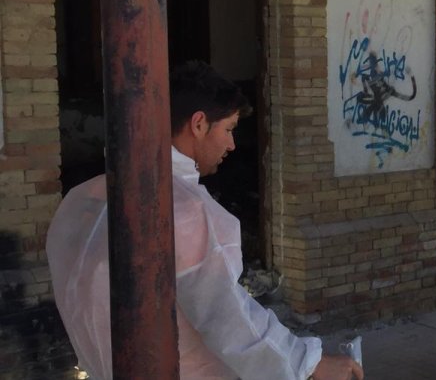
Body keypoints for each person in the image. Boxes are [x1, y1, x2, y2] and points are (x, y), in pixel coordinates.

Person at [47, 61, 364, 380]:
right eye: (228, 129)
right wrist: (308, 364)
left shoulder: (79, 201)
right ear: (198, 124)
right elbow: (229, 319)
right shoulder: (185, 211)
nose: (232, 144)